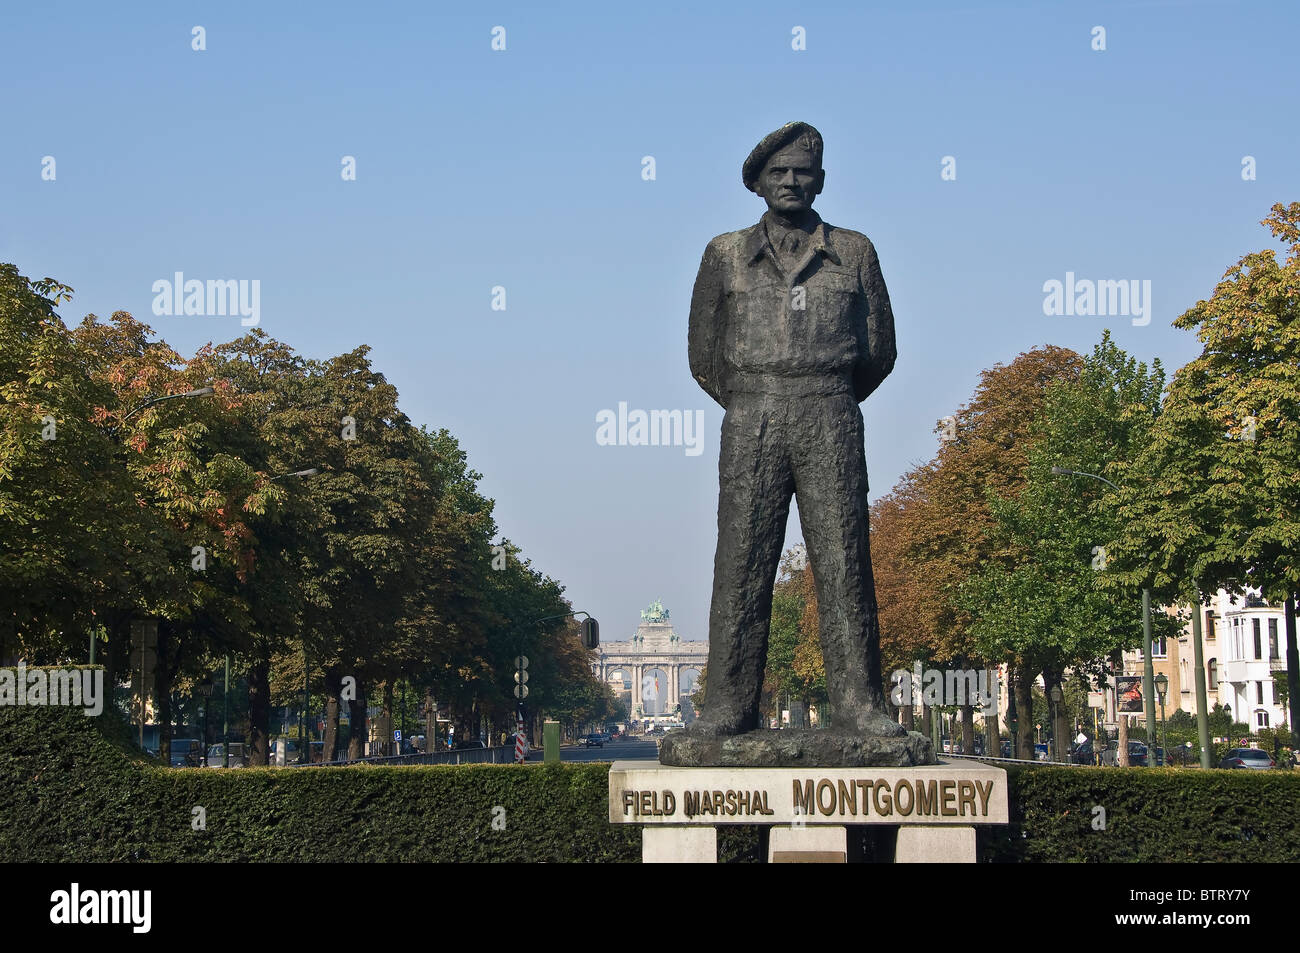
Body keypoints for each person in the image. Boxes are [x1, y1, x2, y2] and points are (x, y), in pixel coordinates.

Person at [684, 122, 900, 739]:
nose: (791, 181)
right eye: (778, 172)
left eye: (803, 170)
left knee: (843, 559)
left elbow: (879, 348)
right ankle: (727, 708)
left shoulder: (855, 251)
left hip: (830, 411)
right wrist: (756, 394)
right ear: (757, 183)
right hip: (751, 413)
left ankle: (859, 705)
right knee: (742, 562)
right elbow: (704, 357)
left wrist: (826, 392)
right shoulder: (723, 254)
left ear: (822, 179)